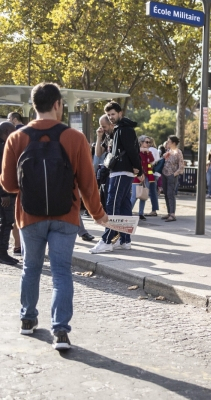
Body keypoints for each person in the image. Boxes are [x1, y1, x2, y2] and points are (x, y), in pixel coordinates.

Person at [0, 82, 107, 350]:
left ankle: (27, 320)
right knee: (61, 273)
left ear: (34, 106)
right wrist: (98, 215)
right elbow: (87, 183)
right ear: (58, 104)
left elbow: (9, 185)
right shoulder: (75, 138)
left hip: (29, 216)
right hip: (66, 217)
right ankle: (60, 332)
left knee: (31, 269)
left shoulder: (16, 137)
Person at [90, 101, 142, 253]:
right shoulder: (121, 130)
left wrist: (140, 170)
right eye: (109, 115)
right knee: (124, 206)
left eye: (112, 114)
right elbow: (99, 153)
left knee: (112, 205)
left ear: (120, 113)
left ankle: (107, 240)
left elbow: (133, 151)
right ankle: (125, 240)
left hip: (120, 172)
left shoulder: (124, 130)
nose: (111, 117)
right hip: (121, 172)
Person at [0, 121, 19, 265]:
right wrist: (4, 194)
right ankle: (2, 253)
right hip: (4, 194)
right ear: (7, 132)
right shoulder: (2, 147)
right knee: (6, 223)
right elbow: (3, 172)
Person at [130, 135, 155, 221]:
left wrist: (148, 153)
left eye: (149, 142)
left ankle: (141, 213)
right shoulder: (137, 151)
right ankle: (128, 212)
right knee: (134, 196)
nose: (148, 144)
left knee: (144, 195)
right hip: (137, 177)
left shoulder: (148, 152)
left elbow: (152, 161)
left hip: (146, 177)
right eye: (146, 142)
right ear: (141, 142)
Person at [161, 135, 184, 222]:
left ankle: (172, 214)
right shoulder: (168, 151)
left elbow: (181, 166)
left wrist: (174, 174)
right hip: (164, 174)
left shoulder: (178, 152)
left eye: (169, 141)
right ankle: (169, 212)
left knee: (171, 194)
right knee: (166, 194)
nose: (167, 143)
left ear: (174, 143)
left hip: (171, 175)